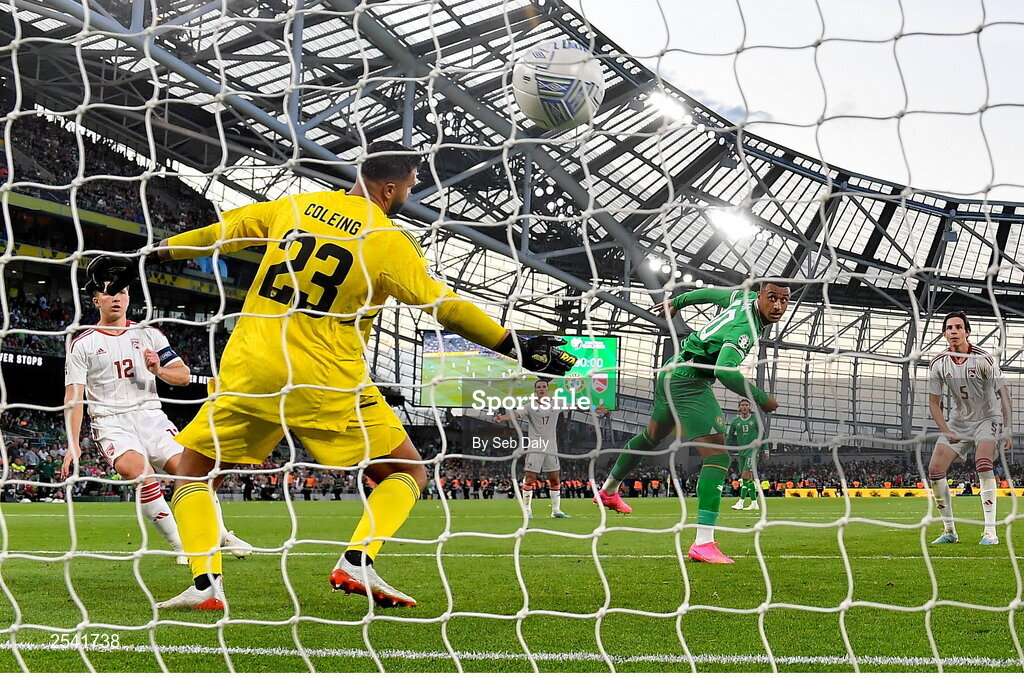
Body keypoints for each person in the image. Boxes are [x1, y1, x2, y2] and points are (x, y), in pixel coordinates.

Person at [133, 140, 576, 610]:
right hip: (327, 379)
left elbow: (224, 232)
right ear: (389, 189)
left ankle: (206, 585)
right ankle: (357, 559)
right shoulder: (387, 241)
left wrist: (150, 256)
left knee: (194, 476)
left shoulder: (296, 207)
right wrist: (513, 345)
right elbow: (446, 308)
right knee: (408, 471)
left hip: (252, 369)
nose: (412, 190)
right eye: (410, 184)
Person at [62, 260, 252, 564]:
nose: (116, 298)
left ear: (128, 297)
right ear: (96, 300)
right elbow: (74, 397)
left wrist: (158, 369)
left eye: (121, 292)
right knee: (142, 475)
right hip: (111, 423)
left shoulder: (148, 335)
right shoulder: (83, 344)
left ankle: (220, 534)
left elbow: (185, 376)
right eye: (109, 293)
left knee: (193, 476)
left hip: (151, 417)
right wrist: (73, 446)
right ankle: (181, 546)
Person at [593, 283, 790, 564]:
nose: (778, 307)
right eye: (772, 299)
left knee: (651, 437)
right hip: (689, 382)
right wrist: (760, 398)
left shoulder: (741, 297)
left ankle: (609, 490)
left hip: (671, 370)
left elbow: (709, 293)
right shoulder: (745, 330)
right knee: (718, 459)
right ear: (760, 296)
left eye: (784, 300)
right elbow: (723, 370)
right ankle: (703, 543)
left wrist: (678, 301)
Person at [926, 311, 1012, 546]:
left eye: (958, 327)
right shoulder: (938, 363)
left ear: (967, 332)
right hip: (958, 421)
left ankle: (990, 532)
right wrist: (945, 429)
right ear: (944, 334)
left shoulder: (983, 359)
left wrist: (1007, 428)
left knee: (983, 462)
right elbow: (934, 403)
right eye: (949, 328)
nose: (953, 331)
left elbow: (1003, 394)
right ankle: (949, 531)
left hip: (988, 418)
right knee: (935, 469)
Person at [493, 379, 607, 519]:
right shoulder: (529, 406)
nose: (541, 389)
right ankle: (527, 511)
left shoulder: (557, 403)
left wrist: (595, 408)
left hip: (552, 447)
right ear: (535, 390)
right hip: (536, 446)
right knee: (530, 479)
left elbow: (577, 406)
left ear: (548, 389)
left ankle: (556, 511)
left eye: (543, 386)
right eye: (538, 387)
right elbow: (515, 414)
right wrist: (502, 418)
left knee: (555, 479)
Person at [727, 399, 769, 511]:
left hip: (753, 451)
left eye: (746, 405)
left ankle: (741, 502)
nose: (745, 407)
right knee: (748, 479)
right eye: (742, 405)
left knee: (745, 476)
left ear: (750, 408)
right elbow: (730, 436)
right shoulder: (736, 422)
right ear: (739, 408)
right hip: (742, 452)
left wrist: (766, 450)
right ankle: (754, 503)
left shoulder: (755, 420)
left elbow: (763, 436)